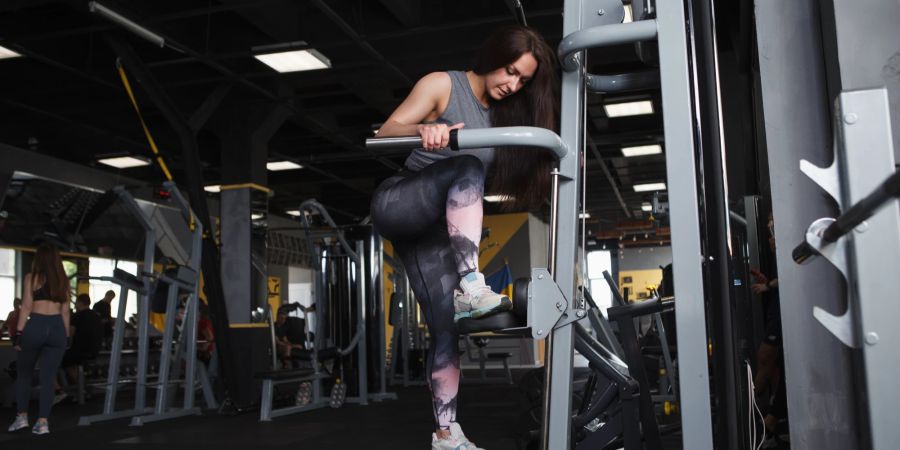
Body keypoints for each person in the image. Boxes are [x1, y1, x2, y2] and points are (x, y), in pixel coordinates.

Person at [370, 25, 559, 450]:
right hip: (401, 200)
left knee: (444, 330)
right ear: (494, 57)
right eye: (509, 71)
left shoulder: (504, 115)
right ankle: (472, 284)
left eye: (522, 80)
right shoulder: (443, 84)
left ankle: (446, 434)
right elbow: (386, 132)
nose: (512, 85)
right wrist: (422, 131)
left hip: (434, 232)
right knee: (467, 166)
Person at [8, 244, 71, 435]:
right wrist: (66, 336)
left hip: (36, 326)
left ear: (39, 259)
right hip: (57, 329)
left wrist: (18, 334)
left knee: (25, 374)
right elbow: (66, 311)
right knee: (48, 378)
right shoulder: (63, 279)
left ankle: (22, 418)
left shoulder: (31, 278)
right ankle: (42, 423)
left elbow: (26, 307)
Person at [750, 212, 787, 443]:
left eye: (773, 228)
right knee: (771, 364)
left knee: (766, 356)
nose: (770, 233)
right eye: (769, 228)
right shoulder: (777, 248)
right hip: (776, 307)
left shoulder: (788, 243)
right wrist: (767, 282)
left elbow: (793, 272)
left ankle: (757, 409)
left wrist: (768, 286)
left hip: (783, 310)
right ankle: (767, 413)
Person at [61, 294, 103, 385]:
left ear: (80, 303)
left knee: (62, 360)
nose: (75, 305)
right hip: (95, 350)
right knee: (72, 359)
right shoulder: (96, 316)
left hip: (80, 351)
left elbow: (70, 335)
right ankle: (81, 387)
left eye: (76, 303)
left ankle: (80, 387)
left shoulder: (77, 316)